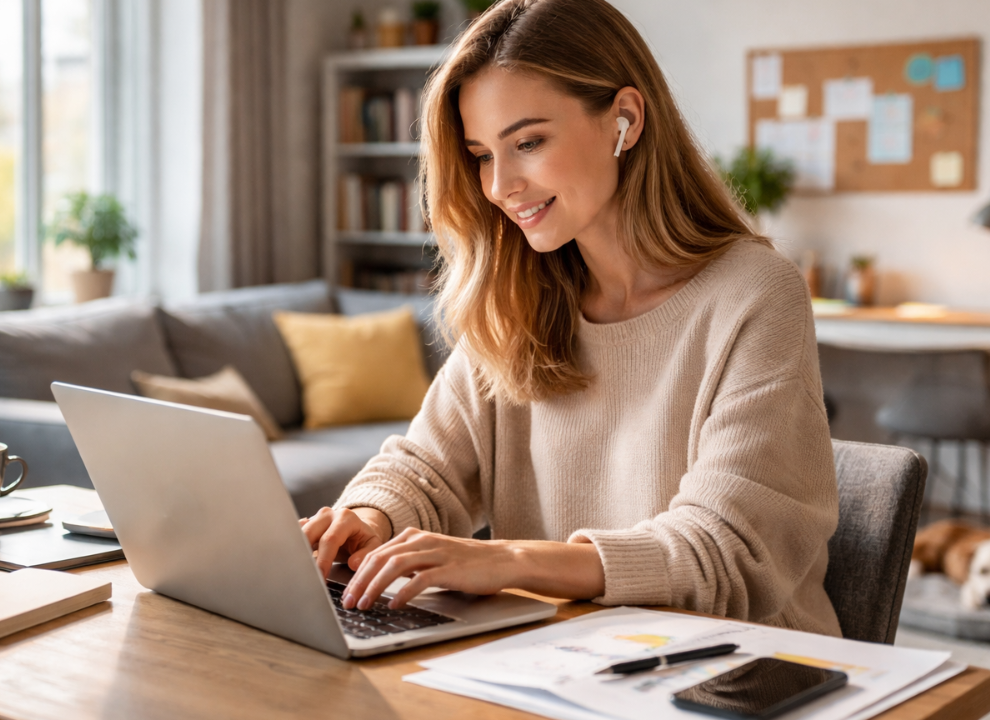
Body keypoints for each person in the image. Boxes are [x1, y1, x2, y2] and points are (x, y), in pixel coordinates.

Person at [300, 0, 841, 636]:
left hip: (736, 670)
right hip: (560, 658)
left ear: (625, 120)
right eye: (480, 154)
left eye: (528, 142)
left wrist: (508, 560)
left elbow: (724, 552)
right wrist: (367, 516)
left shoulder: (754, 295)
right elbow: (426, 466)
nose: (499, 185)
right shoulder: (518, 295)